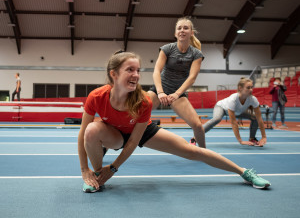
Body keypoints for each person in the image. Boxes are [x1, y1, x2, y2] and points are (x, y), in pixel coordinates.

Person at [77, 51, 271, 193]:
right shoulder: (97, 96)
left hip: (140, 132)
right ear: (114, 74)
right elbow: (82, 134)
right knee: (91, 131)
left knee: (193, 151)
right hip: (113, 133)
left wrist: (113, 168)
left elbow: (134, 141)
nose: (136, 75)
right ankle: (94, 177)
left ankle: (244, 172)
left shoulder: (142, 101)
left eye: (138, 70)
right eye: (130, 70)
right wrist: (84, 169)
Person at [148, 17, 206, 148]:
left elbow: (192, 78)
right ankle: (108, 144)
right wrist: (160, 92)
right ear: (175, 33)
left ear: (191, 33)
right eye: (179, 28)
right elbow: (156, 70)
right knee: (134, 115)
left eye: (186, 28)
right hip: (159, 90)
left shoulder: (196, 54)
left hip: (178, 93)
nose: (182, 30)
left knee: (197, 125)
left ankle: (203, 152)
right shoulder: (167, 49)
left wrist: (177, 94)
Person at [190, 78, 267, 147]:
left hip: (237, 111)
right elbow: (233, 122)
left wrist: (264, 137)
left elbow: (259, 118)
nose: (251, 90)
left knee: (255, 118)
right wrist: (240, 141)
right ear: (240, 88)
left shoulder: (253, 99)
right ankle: (194, 138)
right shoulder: (233, 99)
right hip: (221, 107)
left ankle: (252, 138)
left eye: (251, 87)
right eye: (248, 87)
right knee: (217, 119)